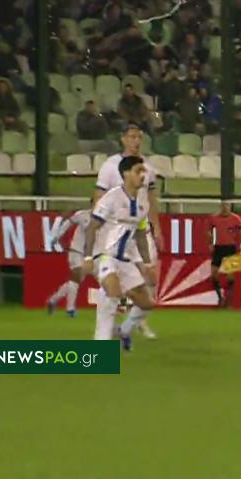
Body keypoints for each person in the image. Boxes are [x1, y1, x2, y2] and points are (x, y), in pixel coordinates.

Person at [93, 125, 163, 339]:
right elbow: (99, 196)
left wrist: (157, 227)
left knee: (149, 281)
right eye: (132, 137)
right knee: (112, 291)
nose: (136, 141)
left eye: (139, 137)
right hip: (113, 235)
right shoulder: (110, 166)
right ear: (123, 139)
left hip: (136, 231)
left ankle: (131, 325)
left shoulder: (148, 168)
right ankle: (102, 337)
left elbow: (150, 199)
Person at [82, 156, 155, 351]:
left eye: (144, 171)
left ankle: (123, 330)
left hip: (126, 260)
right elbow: (92, 227)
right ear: (125, 174)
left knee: (147, 303)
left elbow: (140, 235)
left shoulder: (142, 201)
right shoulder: (111, 198)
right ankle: (101, 344)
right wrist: (87, 257)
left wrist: (147, 264)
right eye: (138, 171)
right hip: (105, 255)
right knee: (112, 293)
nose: (143, 175)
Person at [46, 206, 92, 317]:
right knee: (76, 276)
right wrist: (57, 236)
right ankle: (70, 308)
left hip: (90, 254)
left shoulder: (105, 218)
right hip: (76, 250)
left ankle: (53, 300)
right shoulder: (82, 214)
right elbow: (68, 223)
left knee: (76, 280)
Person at [208, 202, 241, 308]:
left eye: (227, 206)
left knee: (230, 275)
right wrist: (210, 243)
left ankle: (228, 300)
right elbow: (209, 230)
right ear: (220, 207)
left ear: (230, 207)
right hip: (219, 248)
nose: (225, 208)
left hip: (231, 248)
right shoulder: (214, 218)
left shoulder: (236, 218)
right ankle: (220, 298)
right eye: (223, 206)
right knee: (214, 274)